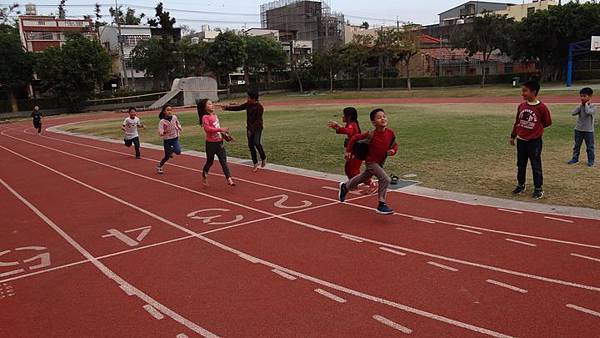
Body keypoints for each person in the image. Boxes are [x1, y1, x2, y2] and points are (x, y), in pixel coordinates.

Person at [339, 108, 398, 215]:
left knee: (363, 177)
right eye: (379, 117)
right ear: (373, 122)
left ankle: (345, 186)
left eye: (384, 116)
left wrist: (392, 151)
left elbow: (394, 145)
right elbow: (354, 138)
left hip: (380, 162)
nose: (383, 119)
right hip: (371, 162)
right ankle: (381, 204)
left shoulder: (390, 133)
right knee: (385, 179)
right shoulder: (370, 134)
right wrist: (348, 151)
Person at [510, 80, 553, 199]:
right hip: (521, 141)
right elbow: (518, 122)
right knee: (521, 164)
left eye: (525, 91)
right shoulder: (522, 106)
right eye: (522, 91)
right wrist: (513, 135)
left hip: (534, 142)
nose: (522, 94)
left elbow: (547, 122)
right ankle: (520, 185)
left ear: (534, 92)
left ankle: (538, 188)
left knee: (535, 164)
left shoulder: (541, 107)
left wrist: (536, 129)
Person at [328, 107, 376, 194]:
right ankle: (353, 184)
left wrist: (337, 127)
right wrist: (338, 127)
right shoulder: (350, 124)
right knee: (347, 168)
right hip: (352, 149)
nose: (342, 117)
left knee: (354, 170)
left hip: (357, 150)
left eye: (344, 115)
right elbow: (348, 131)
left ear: (349, 116)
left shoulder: (352, 124)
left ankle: (371, 183)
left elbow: (349, 131)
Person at [223, 90, 266, 172]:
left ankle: (263, 158)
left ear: (253, 99)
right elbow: (238, 108)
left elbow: (258, 121)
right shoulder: (248, 104)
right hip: (249, 128)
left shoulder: (259, 107)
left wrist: (251, 130)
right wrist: (226, 108)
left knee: (257, 143)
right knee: (250, 145)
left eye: (249, 97)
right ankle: (255, 163)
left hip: (257, 128)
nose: (247, 98)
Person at [198, 99, 235, 186]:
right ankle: (204, 174)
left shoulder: (215, 116)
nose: (212, 105)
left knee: (223, 161)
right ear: (205, 107)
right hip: (211, 144)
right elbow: (208, 129)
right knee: (210, 162)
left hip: (219, 142)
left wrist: (228, 136)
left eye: (212, 103)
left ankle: (229, 178)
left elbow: (219, 130)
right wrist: (220, 129)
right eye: (209, 104)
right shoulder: (205, 117)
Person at [568, 87, 596, 167]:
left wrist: (586, 105)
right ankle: (575, 158)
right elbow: (573, 113)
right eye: (581, 96)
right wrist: (580, 106)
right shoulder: (580, 106)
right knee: (577, 146)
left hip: (588, 131)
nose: (582, 98)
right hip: (578, 129)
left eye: (584, 96)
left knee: (590, 147)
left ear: (590, 97)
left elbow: (588, 112)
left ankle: (591, 160)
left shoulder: (593, 106)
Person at [156, 105, 182, 174]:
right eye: (167, 110)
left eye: (170, 110)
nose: (169, 111)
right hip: (167, 140)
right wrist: (163, 132)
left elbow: (177, 123)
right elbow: (160, 130)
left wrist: (179, 127)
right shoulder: (162, 121)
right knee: (167, 157)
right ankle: (160, 166)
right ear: (164, 112)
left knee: (178, 151)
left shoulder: (174, 117)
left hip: (174, 138)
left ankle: (171, 151)